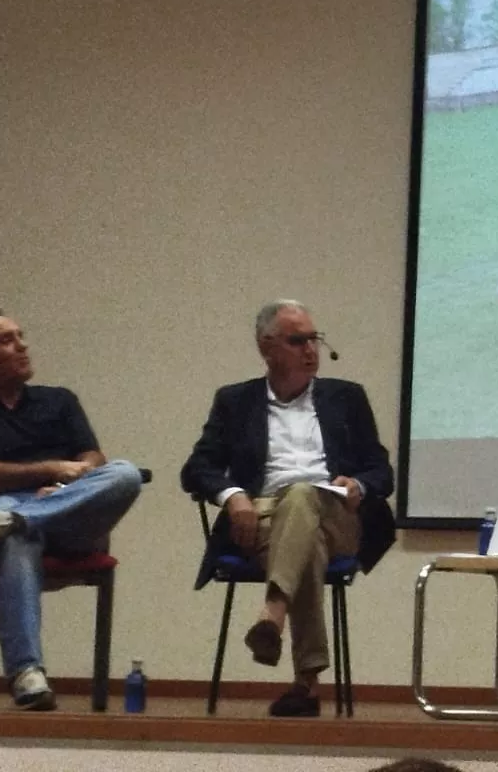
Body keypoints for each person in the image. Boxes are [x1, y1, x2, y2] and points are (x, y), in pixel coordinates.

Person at [180, 300, 395, 718]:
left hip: (339, 518)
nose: (311, 349)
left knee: (301, 496)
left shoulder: (346, 398)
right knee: (304, 544)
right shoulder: (235, 401)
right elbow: (197, 468)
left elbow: (380, 469)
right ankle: (306, 686)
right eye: (299, 341)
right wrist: (233, 496)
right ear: (267, 347)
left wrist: (361, 485)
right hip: (258, 521)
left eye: (315, 339)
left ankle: (272, 614)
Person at [0, 307, 144, 711]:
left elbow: (92, 458)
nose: (22, 345)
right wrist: (48, 468)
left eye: (20, 335)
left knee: (127, 474)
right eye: (7, 339)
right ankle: (28, 675)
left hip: (67, 516)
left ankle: (12, 521)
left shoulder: (59, 401)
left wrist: (66, 484)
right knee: (15, 537)